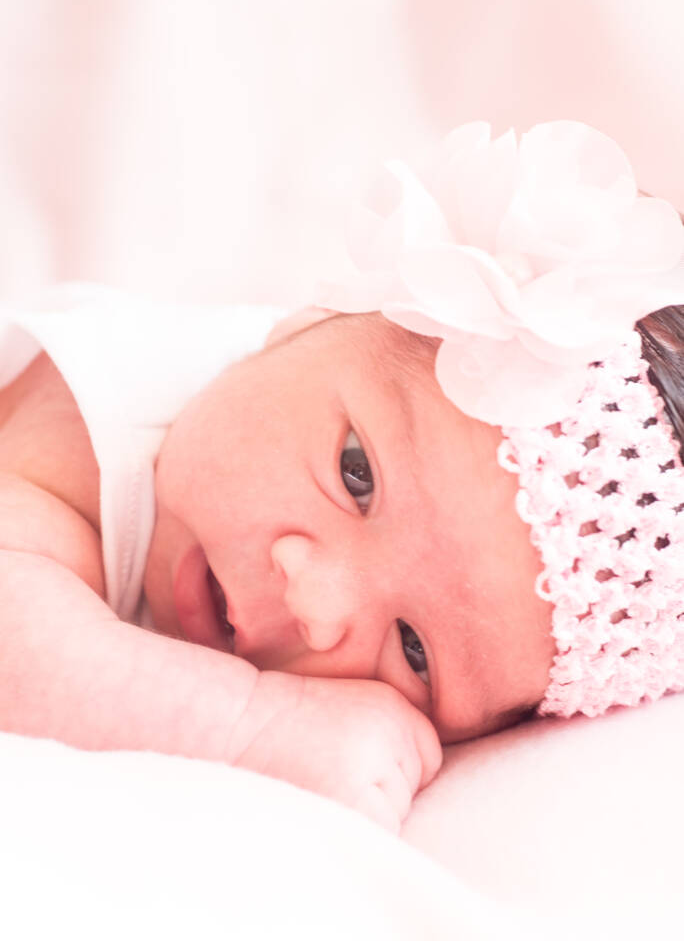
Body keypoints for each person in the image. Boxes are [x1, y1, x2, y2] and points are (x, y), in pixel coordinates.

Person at [1, 120, 683, 833]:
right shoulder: (99, 406)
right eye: (356, 476)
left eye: (414, 652)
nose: (316, 606)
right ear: (311, 320)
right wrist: (250, 724)